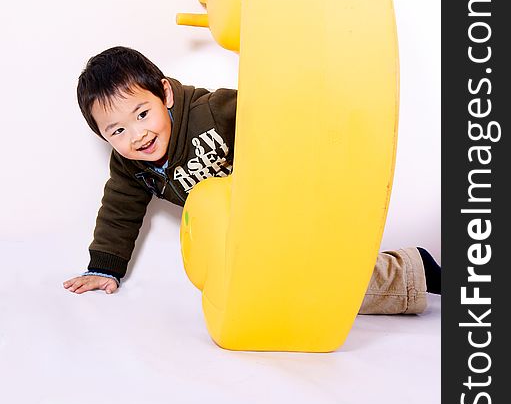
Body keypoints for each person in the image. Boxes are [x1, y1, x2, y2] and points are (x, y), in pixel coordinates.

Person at [63, 46, 440, 314]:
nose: (136, 135)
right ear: (104, 137)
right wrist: (104, 266)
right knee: (291, 287)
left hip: (290, 195)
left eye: (142, 114)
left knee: (318, 284)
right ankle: (409, 270)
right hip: (251, 236)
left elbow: (271, 111)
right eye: (117, 131)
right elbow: (119, 210)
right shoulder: (132, 165)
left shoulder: (210, 111)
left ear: (164, 94)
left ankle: (413, 272)